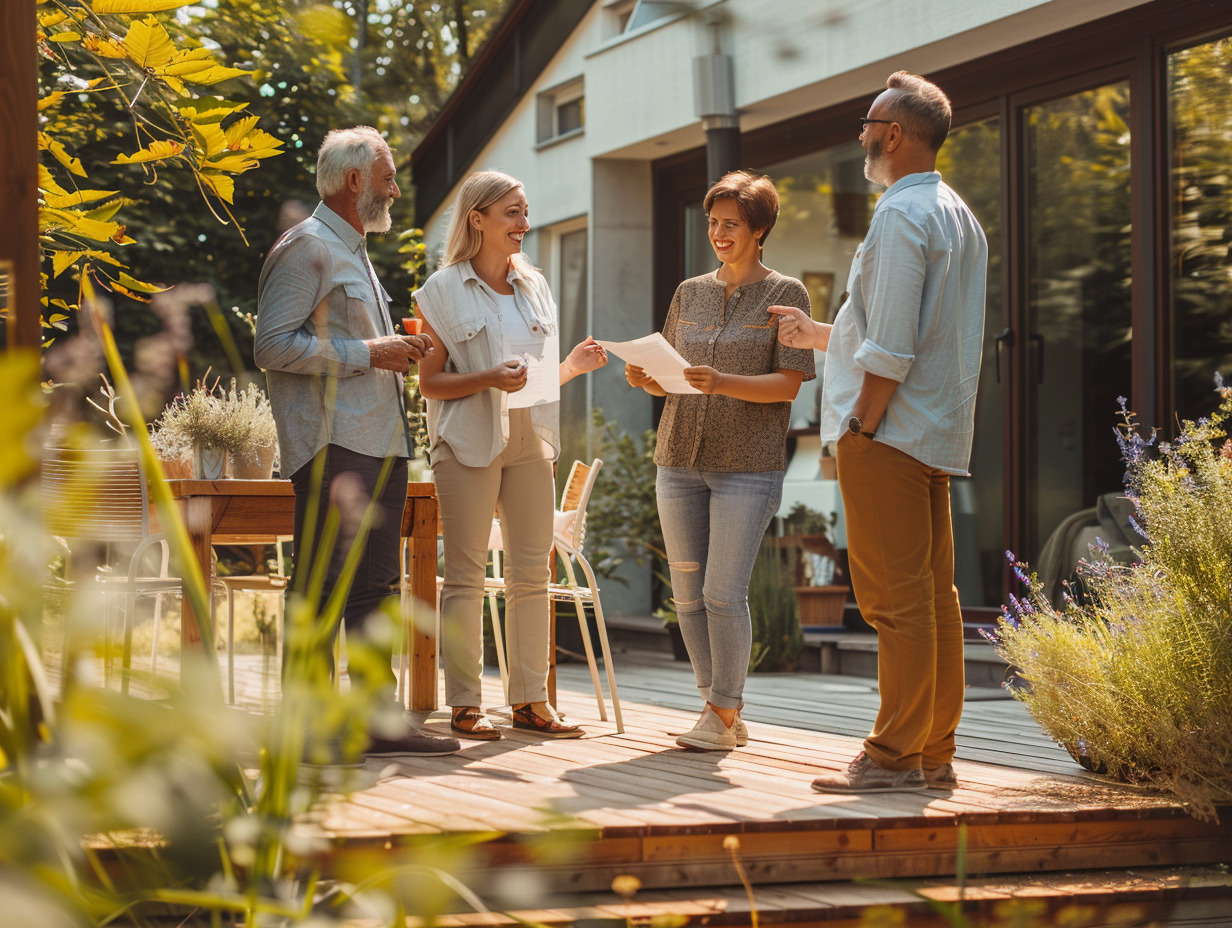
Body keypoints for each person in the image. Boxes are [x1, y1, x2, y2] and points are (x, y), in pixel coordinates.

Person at [770, 72, 988, 792]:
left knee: (894, 603)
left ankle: (893, 757)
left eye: (868, 121)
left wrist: (859, 423)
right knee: (934, 598)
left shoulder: (899, 216)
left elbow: (892, 348)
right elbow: (911, 335)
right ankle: (933, 752)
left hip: (888, 432)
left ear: (893, 133)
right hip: (933, 432)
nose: (861, 133)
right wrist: (824, 334)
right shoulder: (957, 212)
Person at [254, 126, 460, 760]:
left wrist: (395, 351)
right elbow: (270, 346)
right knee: (320, 586)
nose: (396, 188)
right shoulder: (308, 247)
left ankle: (378, 723)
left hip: (381, 443)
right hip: (333, 445)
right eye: (389, 176)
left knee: (376, 589)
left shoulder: (355, 249)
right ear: (354, 182)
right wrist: (370, 351)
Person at [412, 170, 608, 741]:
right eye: (513, 213)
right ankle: (466, 704)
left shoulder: (534, 288)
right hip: (468, 440)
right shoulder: (441, 291)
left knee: (531, 574)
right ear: (478, 218)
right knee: (467, 575)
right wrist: (488, 378)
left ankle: (531, 702)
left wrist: (570, 366)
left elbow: (538, 377)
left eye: (525, 212)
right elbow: (430, 383)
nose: (525, 224)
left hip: (530, 441)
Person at [625, 170, 815, 751]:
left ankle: (723, 714)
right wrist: (646, 379)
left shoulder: (788, 295)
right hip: (678, 457)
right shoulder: (689, 292)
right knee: (685, 594)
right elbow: (674, 377)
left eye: (731, 224)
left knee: (723, 593)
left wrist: (723, 382)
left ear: (759, 230)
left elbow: (788, 384)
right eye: (713, 223)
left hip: (747, 465)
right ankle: (718, 709)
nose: (719, 233)